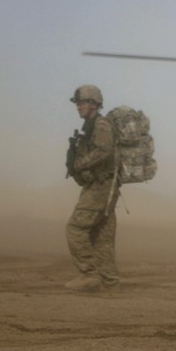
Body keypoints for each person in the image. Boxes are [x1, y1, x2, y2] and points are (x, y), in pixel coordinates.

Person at [65, 84, 120, 292]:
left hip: (100, 187)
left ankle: (88, 274)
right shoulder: (91, 125)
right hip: (105, 187)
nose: (78, 107)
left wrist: (80, 164)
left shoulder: (101, 124)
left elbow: (103, 151)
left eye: (81, 103)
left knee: (75, 228)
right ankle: (110, 283)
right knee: (102, 237)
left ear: (93, 104)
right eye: (77, 103)